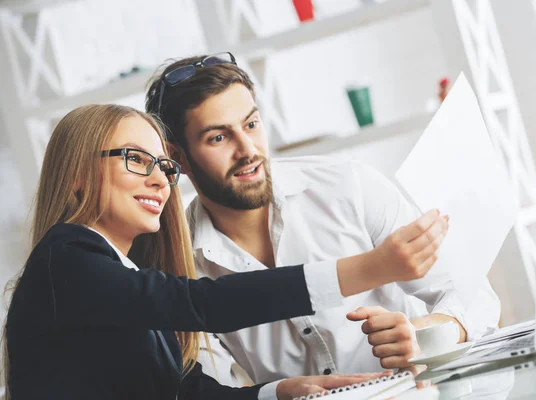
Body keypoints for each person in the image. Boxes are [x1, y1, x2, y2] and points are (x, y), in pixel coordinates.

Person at [2, 104, 449, 400]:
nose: (160, 180)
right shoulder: (66, 256)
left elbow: (185, 392)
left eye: (165, 166)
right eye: (136, 159)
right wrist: (370, 268)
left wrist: (280, 391)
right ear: (78, 173)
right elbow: (204, 303)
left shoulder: (116, 272)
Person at [144, 52, 501, 392]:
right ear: (177, 159)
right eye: (218, 137)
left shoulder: (347, 186)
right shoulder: (179, 267)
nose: (248, 149)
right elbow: (215, 388)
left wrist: (424, 334)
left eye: (251, 124)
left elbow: (474, 294)